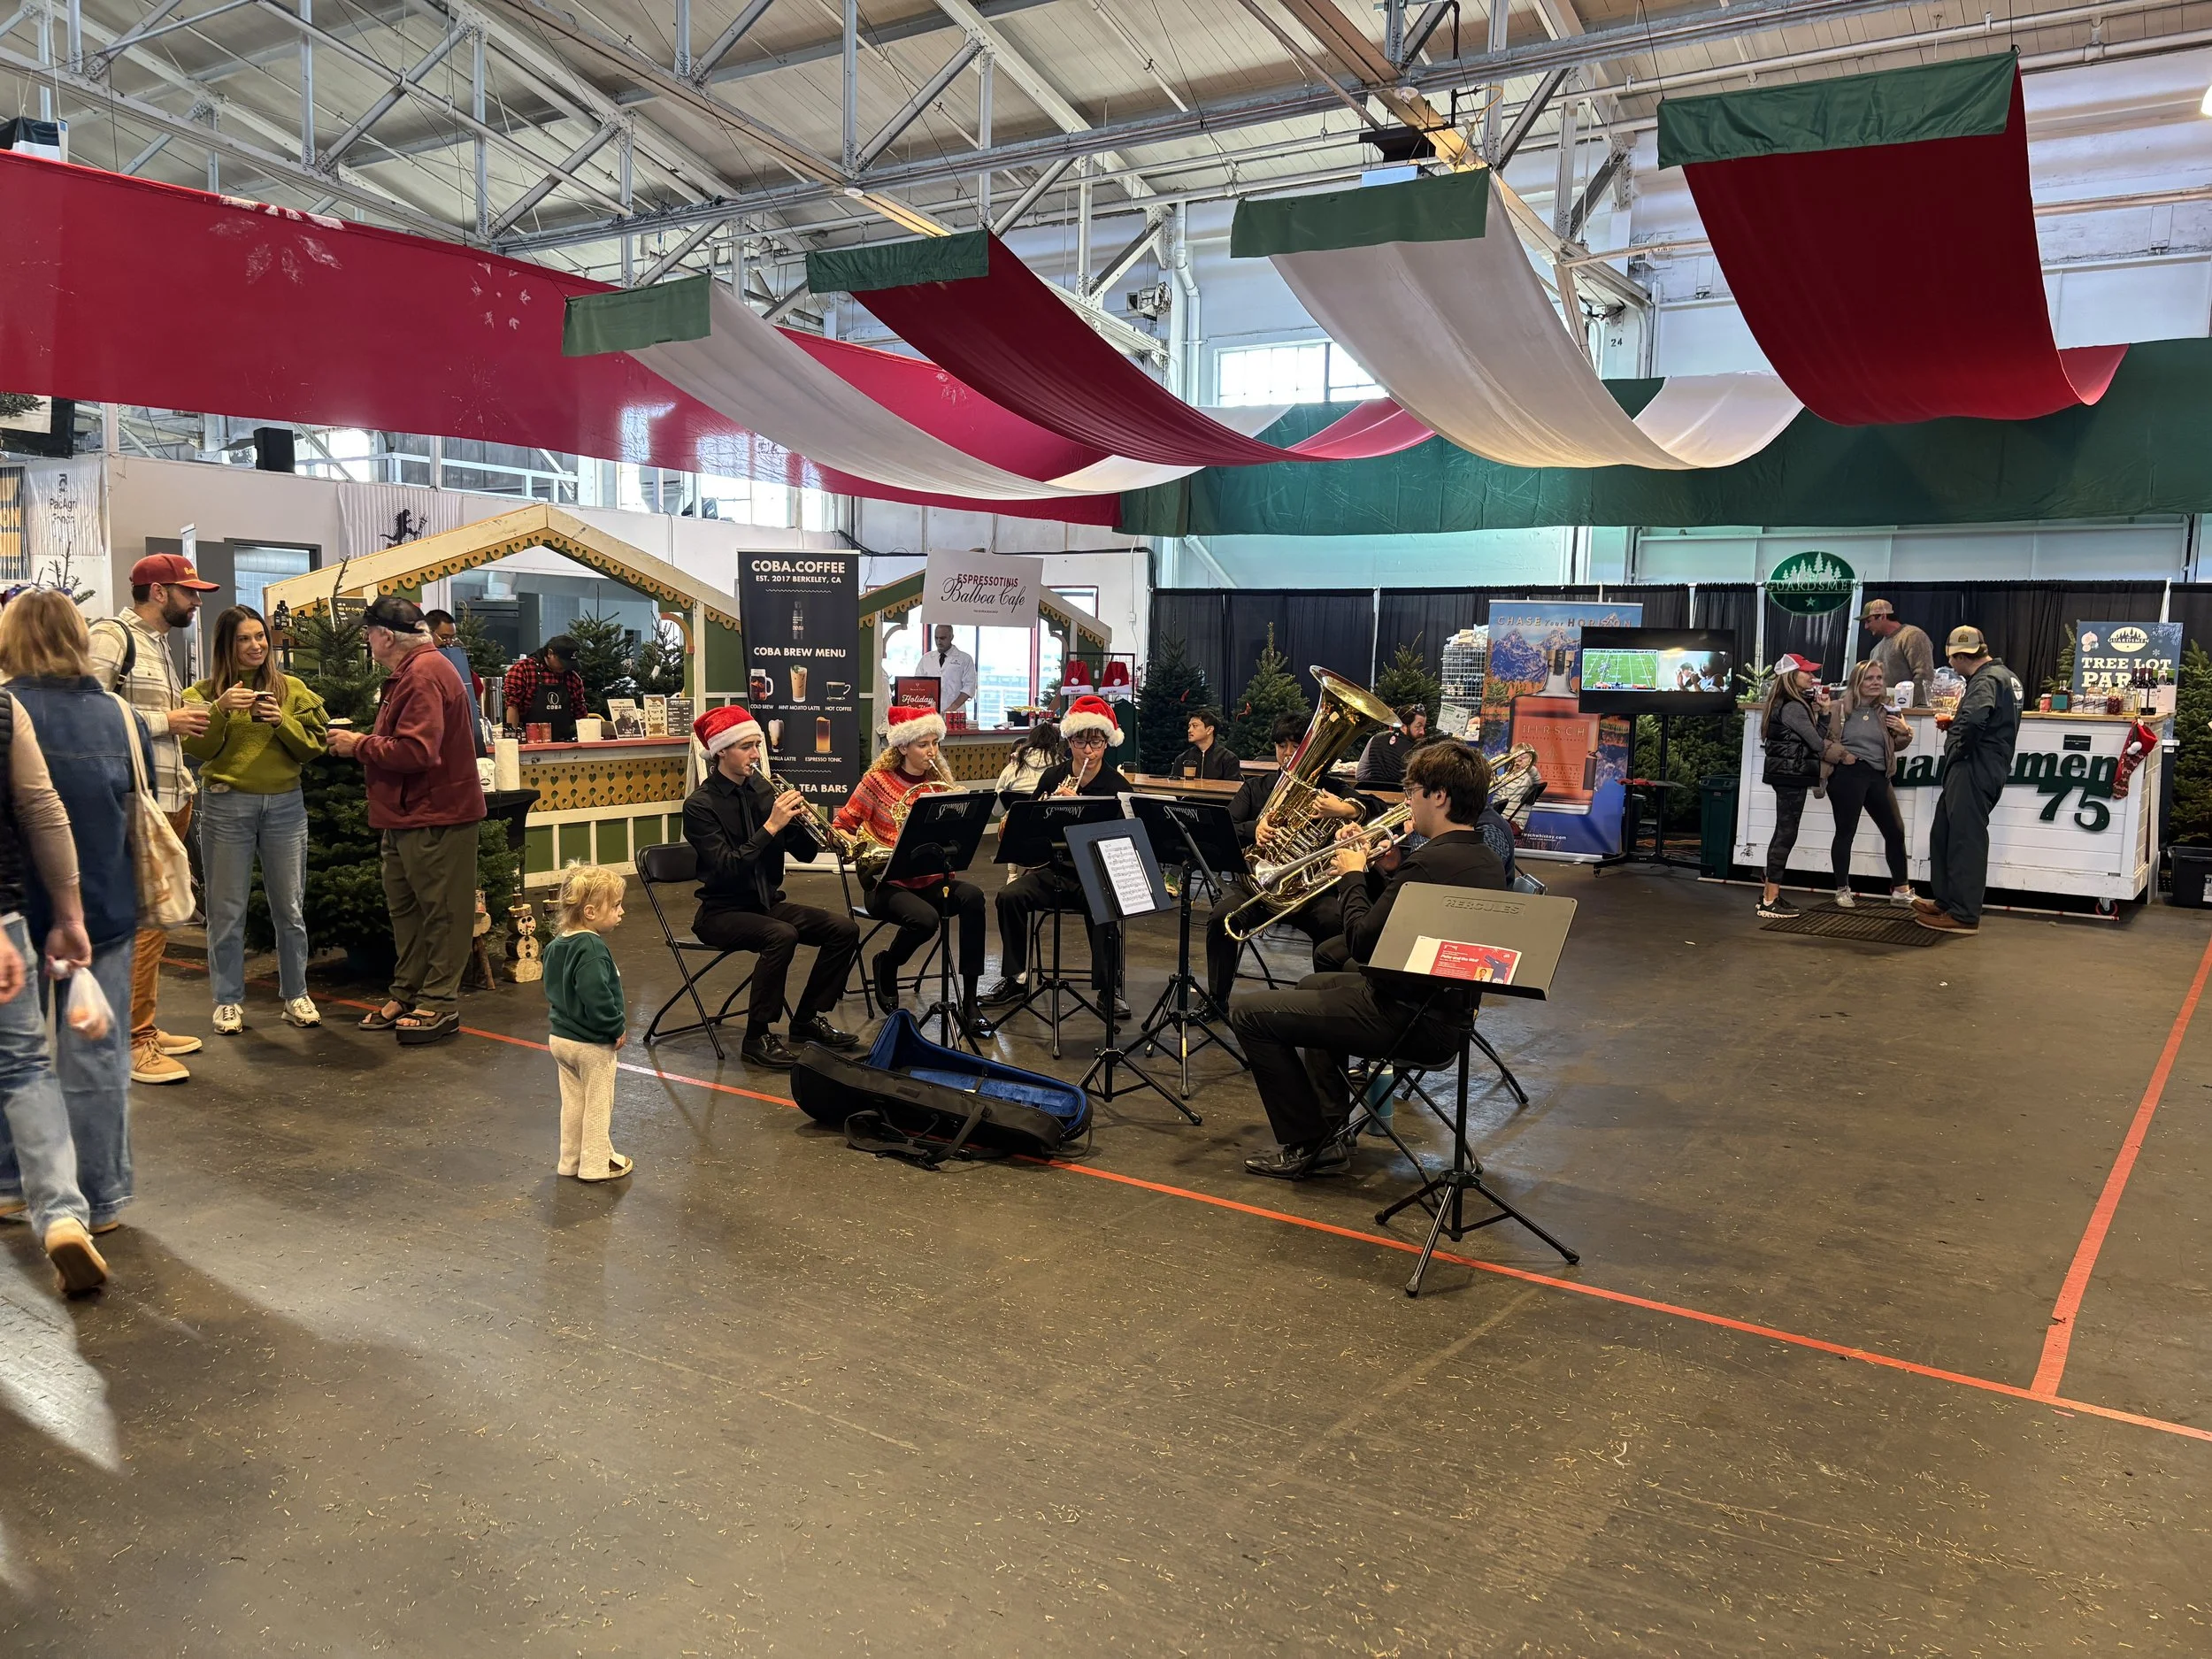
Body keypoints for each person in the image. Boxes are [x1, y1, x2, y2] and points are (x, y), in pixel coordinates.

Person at [1230, 741, 1509, 1180]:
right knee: (1310, 987)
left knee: (1248, 1012)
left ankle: (1306, 1141)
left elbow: (1361, 941)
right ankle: (1329, 1131)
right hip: (1438, 1006)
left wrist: (1352, 875)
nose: (1406, 801)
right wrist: (1391, 868)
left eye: (1412, 790)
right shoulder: (1481, 859)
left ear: (1440, 796)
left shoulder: (1430, 864)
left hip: (1408, 1017)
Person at [0, 590, 148, 1253]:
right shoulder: (120, 715)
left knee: (13, 1056)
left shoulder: (8, 712)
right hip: (105, 909)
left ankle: (11, 1182)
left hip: (13, 910)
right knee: (96, 1051)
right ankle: (102, 1195)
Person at [327, 596, 487, 1046]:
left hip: (435, 813)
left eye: (368, 633)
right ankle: (409, 992)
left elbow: (418, 752)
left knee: (441, 912)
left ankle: (439, 1003)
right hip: (408, 814)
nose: (366, 641)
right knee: (408, 911)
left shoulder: (422, 675)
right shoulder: (414, 673)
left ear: (385, 636)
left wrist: (358, 744)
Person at [0, 607, 104, 1293]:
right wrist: (67, 914)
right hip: (6, 918)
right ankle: (63, 1216)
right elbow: (43, 809)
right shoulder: (4, 710)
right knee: (24, 1066)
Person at [88, 552, 216, 1086]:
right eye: (188, 592)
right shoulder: (112, 635)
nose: (195, 602)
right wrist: (170, 719)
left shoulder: (159, 645)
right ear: (159, 592)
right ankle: (134, 1039)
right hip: (135, 803)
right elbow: (87, 711)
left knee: (158, 921)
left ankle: (142, 1024)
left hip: (170, 796)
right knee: (144, 922)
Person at [682, 704, 858, 1070]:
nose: (755, 755)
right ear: (721, 752)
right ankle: (755, 1035)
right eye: (746, 746)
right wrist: (772, 827)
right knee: (781, 935)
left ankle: (807, 1018)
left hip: (765, 903)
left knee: (844, 929)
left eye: (756, 745)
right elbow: (727, 867)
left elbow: (805, 854)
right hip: (721, 911)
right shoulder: (700, 806)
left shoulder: (763, 792)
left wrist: (812, 827)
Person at [181, 605, 329, 1035]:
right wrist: (220, 710)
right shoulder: (202, 695)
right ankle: (227, 1000)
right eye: (244, 639)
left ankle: (296, 994)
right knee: (226, 910)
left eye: (260, 637)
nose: (255, 646)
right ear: (226, 646)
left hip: (285, 806)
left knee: (291, 907)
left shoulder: (294, 691)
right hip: (227, 806)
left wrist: (281, 723)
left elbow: (311, 749)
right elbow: (199, 753)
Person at [835, 702, 988, 1025]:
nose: (932, 751)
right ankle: (888, 964)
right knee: (927, 919)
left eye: (935, 743)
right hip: (885, 883)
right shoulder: (876, 782)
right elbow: (842, 826)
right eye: (923, 744)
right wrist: (865, 850)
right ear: (902, 746)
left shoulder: (938, 785)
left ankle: (971, 1001)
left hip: (930, 879)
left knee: (973, 898)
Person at [978, 695, 1129, 1013]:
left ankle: (1107, 988)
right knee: (1010, 897)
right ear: (1069, 740)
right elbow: (1025, 827)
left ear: (1107, 742)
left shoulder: (1116, 784)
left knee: (1104, 904)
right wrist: (1049, 812)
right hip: (1053, 868)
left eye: (1096, 742)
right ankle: (1015, 979)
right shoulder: (1052, 777)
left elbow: (1121, 841)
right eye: (1080, 741)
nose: (1088, 750)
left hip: (1095, 872)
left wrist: (1079, 811)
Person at [1202, 712, 1363, 1012]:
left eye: (1294, 746)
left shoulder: (1330, 789)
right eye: (1281, 746)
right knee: (1221, 918)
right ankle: (1217, 1000)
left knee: (1334, 920)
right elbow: (1224, 827)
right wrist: (1255, 829)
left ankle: (1327, 1003)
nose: (1287, 754)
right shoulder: (1257, 788)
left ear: (1309, 748)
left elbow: (1373, 807)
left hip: (1307, 893)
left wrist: (1342, 809)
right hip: (1257, 889)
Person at [1917, 626, 2024, 935]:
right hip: (1985, 764)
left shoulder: (1986, 680)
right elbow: (1990, 718)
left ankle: (1963, 914)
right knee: (1945, 832)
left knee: (1965, 839)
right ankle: (1947, 901)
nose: (1951, 666)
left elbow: (1977, 718)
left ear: (1963, 656)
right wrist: (1958, 725)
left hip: (1973, 766)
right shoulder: (2007, 676)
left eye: (1953, 660)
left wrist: (1959, 743)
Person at [543, 864, 632, 1183]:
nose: (622, 912)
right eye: (616, 905)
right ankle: (595, 1164)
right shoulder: (592, 946)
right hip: (591, 1044)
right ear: (591, 911)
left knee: (573, 1103)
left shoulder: (556, 945)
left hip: (561, 1039)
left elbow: (554, 988)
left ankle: (570, 1160)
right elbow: (596, 995)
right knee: (598, 1105)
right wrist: (615, 1026)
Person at [1755, 655, 1843, 921]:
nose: (1812, 677)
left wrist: (1822, 712)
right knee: (1785, 834)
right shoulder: (1794, 707)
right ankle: (1770, 900)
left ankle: (1769, 895)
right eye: (1806, 672)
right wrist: (1826, 714)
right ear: (1792, 676)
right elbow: (1817, 743)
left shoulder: (1786, 703)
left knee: (1783, 833)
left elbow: (1812, 740)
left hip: (1787, 773)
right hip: (1791, 775)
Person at [1825, 661, 1915, 909]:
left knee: (1895, 831)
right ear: (1857, 682)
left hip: (1878, 774)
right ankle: (1842, 889)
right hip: (1848, 773)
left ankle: (1901, 890)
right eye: (1869, 678)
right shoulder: (1839, 708)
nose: (1876, 683)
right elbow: (1821, 742)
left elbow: (1897, 744)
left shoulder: (1889, 710)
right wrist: (1843, 756)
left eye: (1879, 678)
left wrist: (1905, 731)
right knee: (1846, 832)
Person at [501, 634, 585, 742]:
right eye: (562, 662)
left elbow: (580, 711)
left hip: (564, 743)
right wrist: (512, 740)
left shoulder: (571, 676)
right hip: (529, 741)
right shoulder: (523, 669)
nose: (565, 667)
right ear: (550, 653)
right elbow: (513, 706)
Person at [1862, 599, 1936, 704]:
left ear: (1883, 616)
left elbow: (1924, 676)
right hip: (1884, 711)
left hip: (1911, 714)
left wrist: (1906, 706)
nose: (1866, 627)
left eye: (1868, 621)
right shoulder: (1875, 650)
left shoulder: (1912, 636)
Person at [1355, 704, 1430, 789]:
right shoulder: (1419, 748)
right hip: (1404, 798)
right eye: (1418, 726)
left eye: (1423, 727)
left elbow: (1360, 775)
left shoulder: (1376, 738)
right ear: (1403, 726)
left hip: (1373, 795)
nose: (1422, 732)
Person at [994, 720, 1061, 811]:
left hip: (1017, 823)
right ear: (1056, 745)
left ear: (1030, 741)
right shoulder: (1063, 767)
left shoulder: (1013, 766)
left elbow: (997, 810)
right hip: (1050, 823)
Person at [920, 625, 978, 722]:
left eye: (942, 638)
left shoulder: (965, 659)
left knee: (954, 737)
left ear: (951, 637)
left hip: (956, 715)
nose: (939, 642)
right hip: (930, 715)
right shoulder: (926, 659)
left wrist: (952, 708)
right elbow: (918, 685)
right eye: (936, 638)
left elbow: (969, 687)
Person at [1171, 709, 1241, 781]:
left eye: (1195, 726)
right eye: (1189, 726)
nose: (1189, 730)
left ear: (1210, 730)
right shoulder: (1182, 759)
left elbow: (1234, 789)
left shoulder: (1228, 759)